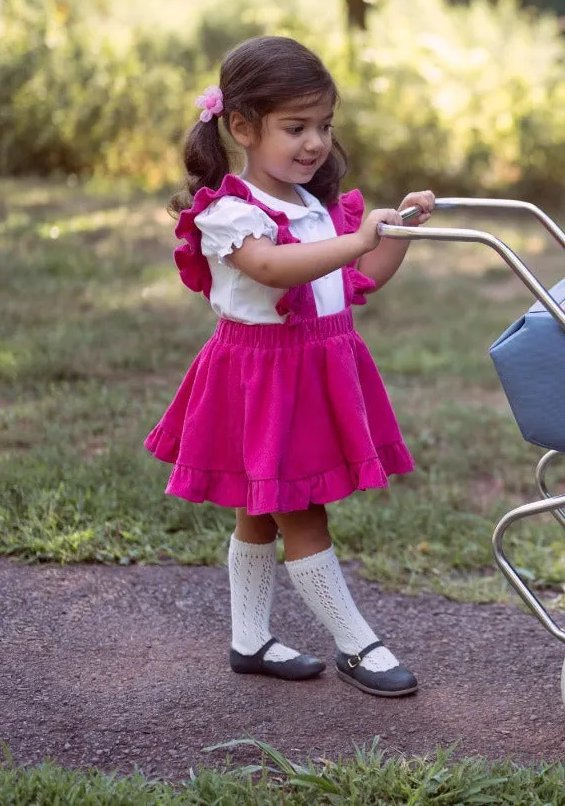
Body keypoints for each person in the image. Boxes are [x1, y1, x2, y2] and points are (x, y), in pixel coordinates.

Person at [145, 35, 432, 697]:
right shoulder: (231, 212)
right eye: (295, 127)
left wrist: (397, 233)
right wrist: (353, 238)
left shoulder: (312, 206)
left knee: (259, 509)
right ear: (242, 126)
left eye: (324, 126)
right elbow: (271, 268)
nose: (314, 143)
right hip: (262, 380)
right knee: (302, 511)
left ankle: (249, 639)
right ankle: (358, 643)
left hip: (313, 373)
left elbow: (364, 276)